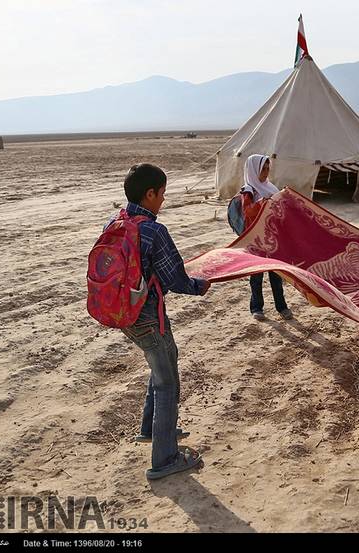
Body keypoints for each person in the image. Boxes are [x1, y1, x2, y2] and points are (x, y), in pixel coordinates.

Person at [112, 163, 210, 480]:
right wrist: (200, 286)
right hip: (148, 316)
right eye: (162, 193)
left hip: (122, 312)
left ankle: (151, 428)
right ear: (150, 193)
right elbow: (176, 278)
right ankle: (164, 460)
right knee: (168, 381)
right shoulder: (154, 231)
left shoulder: (114, 222)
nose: (163, 200)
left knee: (165, 361)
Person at [239, 154, 293, 321]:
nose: (266, 172)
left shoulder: (271, 187)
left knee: (276, 275)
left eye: (268, 168)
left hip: (273, 239)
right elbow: (247, 211)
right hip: (256, 240)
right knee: (256, 276)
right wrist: (263, 201)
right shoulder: (248, 190)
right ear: (254, 169)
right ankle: (256, 308)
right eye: (263, 169)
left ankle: (282, 307)